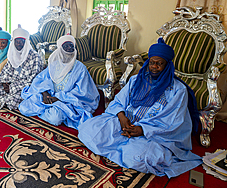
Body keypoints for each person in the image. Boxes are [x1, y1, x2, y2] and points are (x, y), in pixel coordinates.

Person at [78, 38, 202, 178]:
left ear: (167, 65)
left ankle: (124, 145)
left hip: (153, 134)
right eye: (152, 63)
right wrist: (122, 117)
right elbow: (119, 101)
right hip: (124, 123)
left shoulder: (177, 90)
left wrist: (142, 130)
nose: (154, 67)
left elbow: (172, 122)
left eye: (160, 64)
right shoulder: (136, 80)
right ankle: (122, 143)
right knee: (88, 130)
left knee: (142, 159)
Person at [19, 35, 99, 129]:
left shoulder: (80, 68)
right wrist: (45, 94)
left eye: (71, 46)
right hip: (48, 96)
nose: (69, 48)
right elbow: (40, 80)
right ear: (60, 49)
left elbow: (82, 91)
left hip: (66, 101)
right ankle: (49, 108)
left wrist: (58, 98)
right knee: (23, 107)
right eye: (66, 46)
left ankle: (49, 110)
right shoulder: (54, 64)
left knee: (55, 119)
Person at [0, 27, 43, 110]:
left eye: (21, 41)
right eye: (17, 41)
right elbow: (5, 72)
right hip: (9, 85)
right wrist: (4, 83)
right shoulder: (13, 54)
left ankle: (5, 101)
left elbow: (33, 79)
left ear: (26, 42)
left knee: (13, 99)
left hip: (23, 88)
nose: (18, 43)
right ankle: (3, 99)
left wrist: (12, 86)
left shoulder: (34, 57)